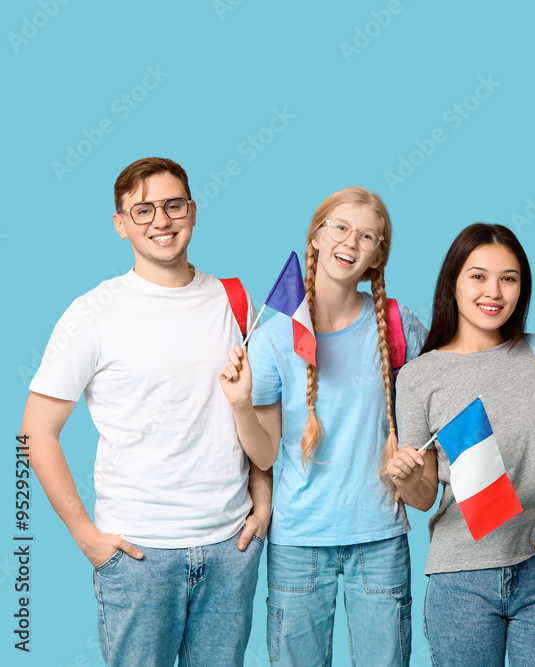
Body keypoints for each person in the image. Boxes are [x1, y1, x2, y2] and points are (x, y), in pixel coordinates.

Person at [19, 157, 271, 667]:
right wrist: (87, 538)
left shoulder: (236, 302)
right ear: (120, 225)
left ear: (193, 212)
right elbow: (35, 432)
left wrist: (262, 501)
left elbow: (256, 419)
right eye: (143, 210)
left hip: (230, 549)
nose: (161, 220)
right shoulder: (93, 312)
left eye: (173, 204)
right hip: (138, 556)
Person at [218, 186, 427, 666]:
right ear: (316, 236)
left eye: (367, 236)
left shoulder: (396, 326)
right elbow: (266, 455)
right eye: (340, 227)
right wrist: (240, 404)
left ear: (378, 256)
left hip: (379, 539)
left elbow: (430, 405)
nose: (351, 242)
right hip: (298, 543)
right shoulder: (273, 338)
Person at [387, 223, 535, 666]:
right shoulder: (419, 377)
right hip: (461, 576)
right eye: (478, 276)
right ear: (452, 283)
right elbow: (423, 498)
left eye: (508, 278)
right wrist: (407, 477)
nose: (493, 291)